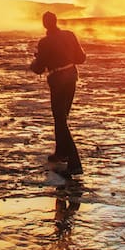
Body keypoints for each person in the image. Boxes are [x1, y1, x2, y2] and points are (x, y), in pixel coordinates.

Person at [29, 11, 86, 175]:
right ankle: (60, 153)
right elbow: (81, 58)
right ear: (56, 21)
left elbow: (39, 68)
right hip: (72, 78)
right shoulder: (69, 35)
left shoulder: (44, 42)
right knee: (61, 117)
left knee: (60, 119)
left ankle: (75, 163)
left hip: (58, 81)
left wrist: (34, 62)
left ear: (44, 24)